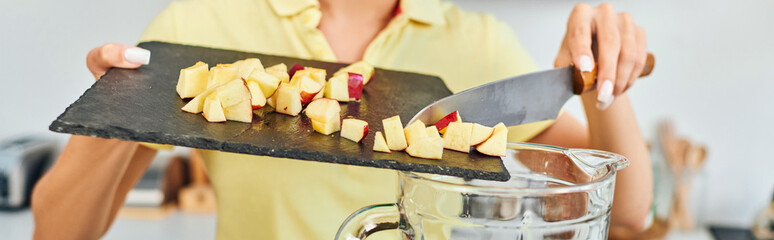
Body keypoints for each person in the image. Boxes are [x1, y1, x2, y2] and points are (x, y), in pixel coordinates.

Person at [31, 0, 653, 239]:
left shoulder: (479, 43)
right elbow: (58, 232)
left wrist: (604, 76)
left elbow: (626, 209)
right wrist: (113, 108)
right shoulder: (201, 22)